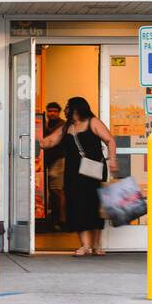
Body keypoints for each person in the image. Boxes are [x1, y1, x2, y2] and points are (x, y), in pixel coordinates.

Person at [39, 96, 116, 256]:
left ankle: (96, 245)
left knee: (94, 207)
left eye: (68, 106)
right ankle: (85, 245)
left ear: (77, 108)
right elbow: (50, 141)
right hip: (73, 173)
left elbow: (110, 140)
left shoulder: (92, 122)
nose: (66, 109)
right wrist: (32, 139)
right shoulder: (67, 127)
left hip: (93, 171)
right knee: (76, 206)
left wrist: (113, 160)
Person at [42, 102, 68, 229]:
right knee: (50, 190)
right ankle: (55, 218)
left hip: (58, 160)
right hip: (45, 161)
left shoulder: (62, 125)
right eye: (49, 111)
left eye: (54, 111)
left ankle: (62, 219)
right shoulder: (44, 124)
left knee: (57, 190)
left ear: (59, 112)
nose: (52, 113)